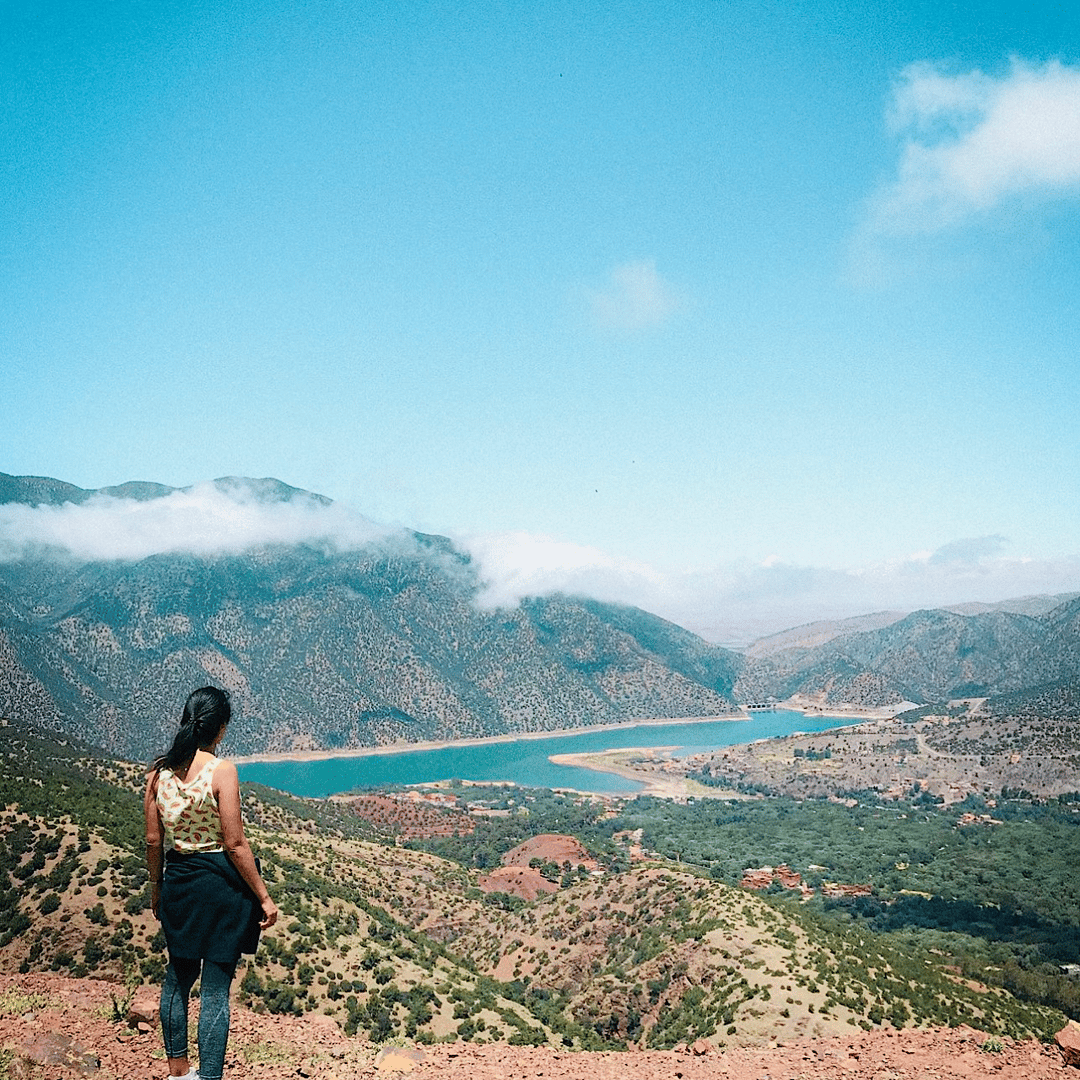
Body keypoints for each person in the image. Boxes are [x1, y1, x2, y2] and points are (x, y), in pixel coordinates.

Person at [144, 686, 278, 1080]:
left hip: (179, 883)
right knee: (216, 990)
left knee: (177, 979)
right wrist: (264, 897)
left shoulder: (156, 775)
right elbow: (234, 843)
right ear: (220, 728)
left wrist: (157, 887)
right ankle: (209, 1077)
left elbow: (153, 840)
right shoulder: (222, 771)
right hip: (221, 888)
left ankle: (178, 1072)